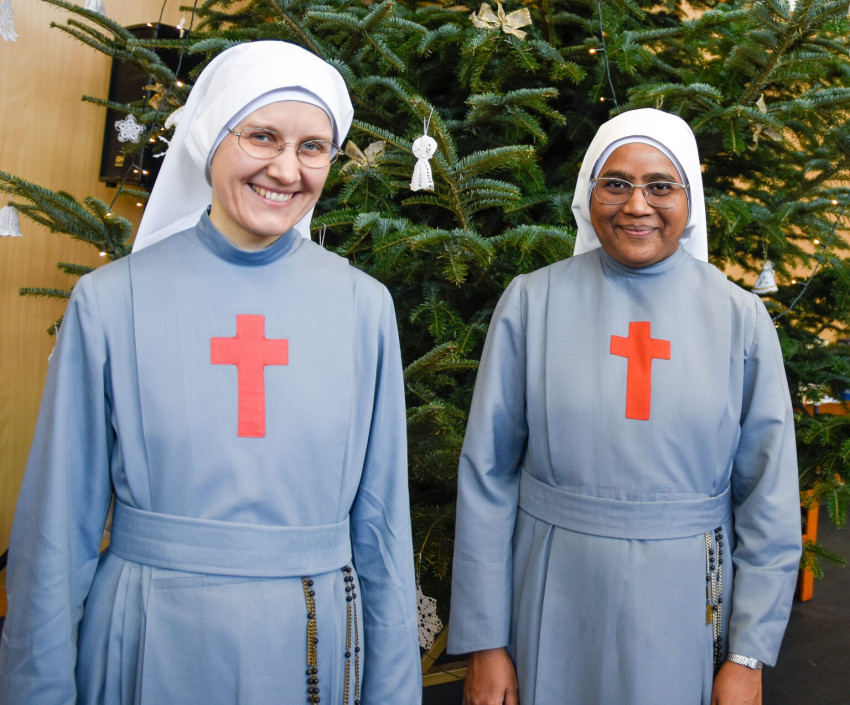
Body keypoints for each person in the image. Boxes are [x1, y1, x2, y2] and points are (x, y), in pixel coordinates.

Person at [0, 41, 422, 705]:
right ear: (209, 137)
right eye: (262, 136)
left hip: (308, 641)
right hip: (148, 638)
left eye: (313, 147)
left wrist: (394, 692)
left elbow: (382, 526)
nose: (286, 169)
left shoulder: (363, 307)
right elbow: (58, 529)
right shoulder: (111, 299)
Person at [448, 108, 802, 705]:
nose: (637, 205)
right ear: (589, 193)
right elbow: (487, 476)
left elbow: (767, 498)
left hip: (687, 606)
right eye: (616, 183)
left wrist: (748, 655)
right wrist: (486, 642)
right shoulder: (532, 301)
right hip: (552, 593)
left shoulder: (739, 318)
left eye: (661, 186)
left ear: (689, 199)